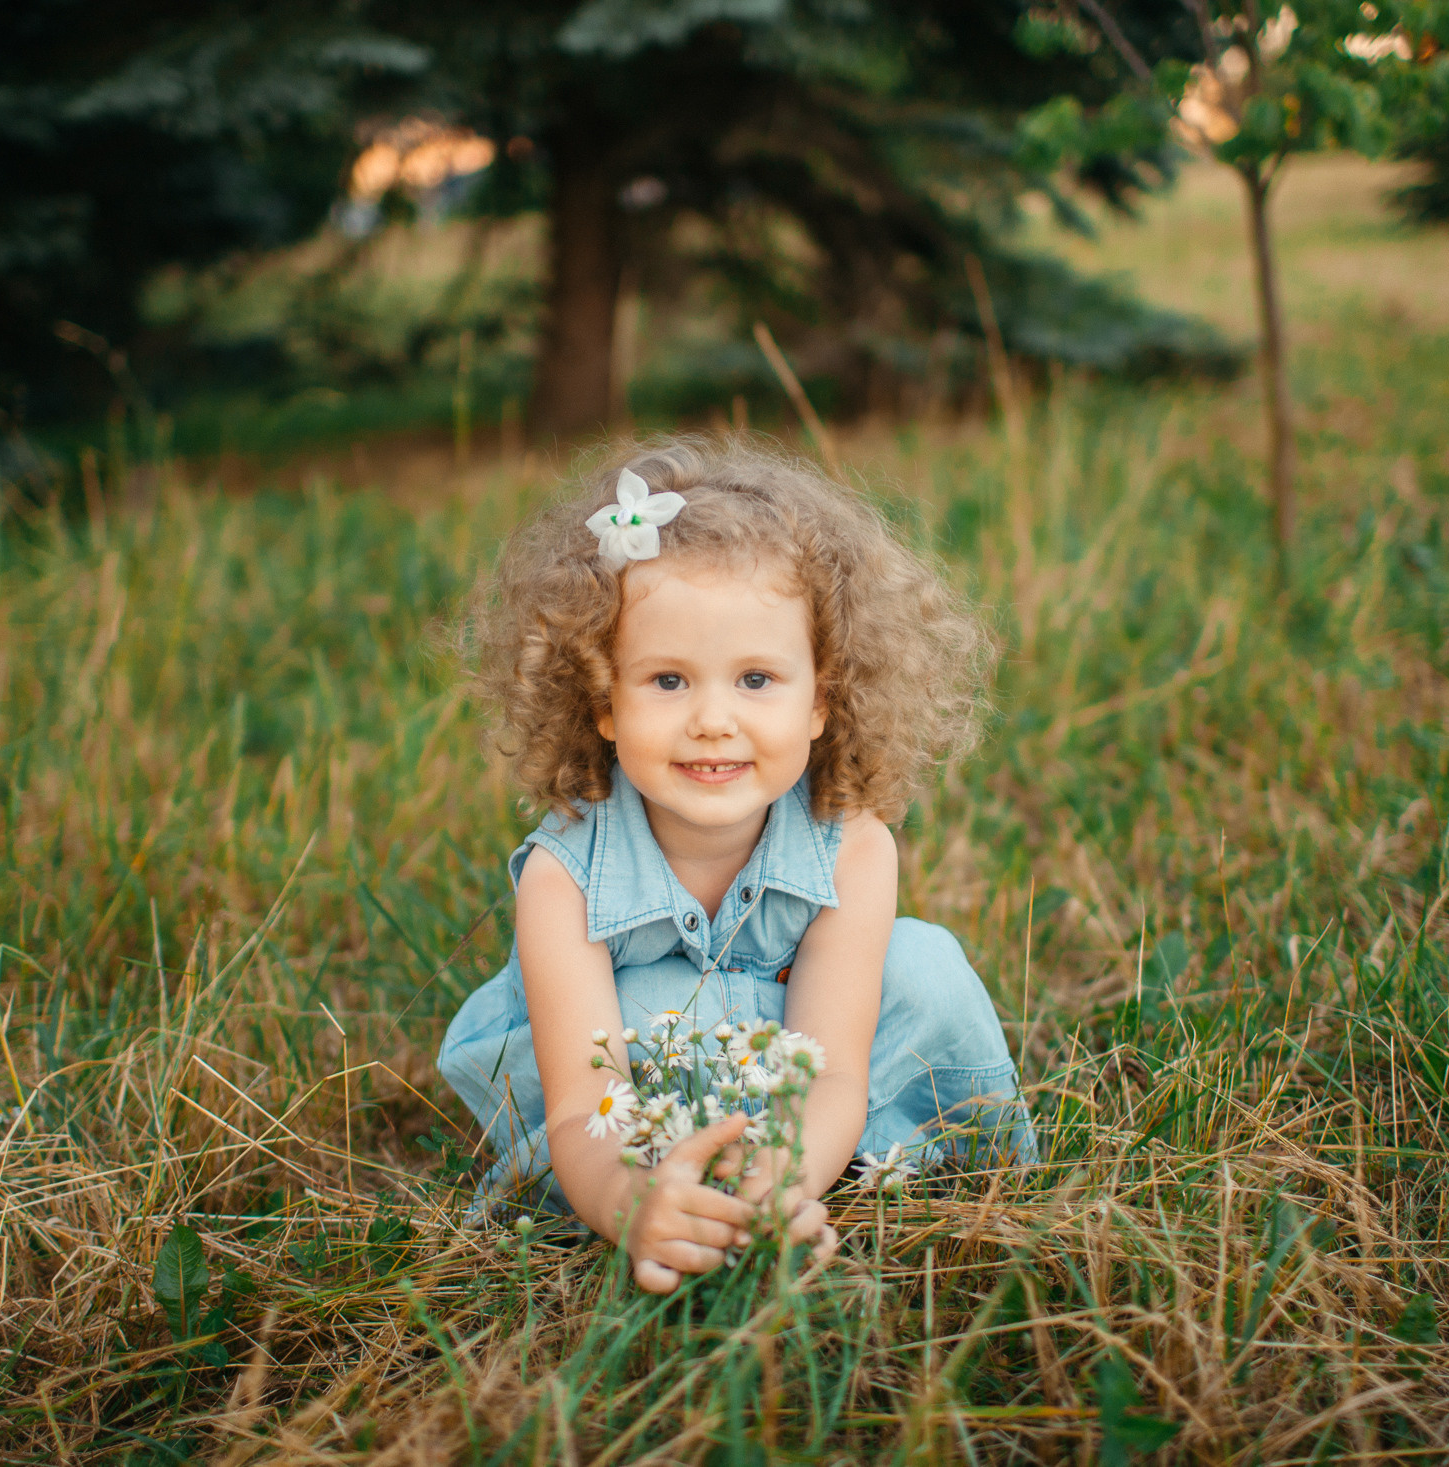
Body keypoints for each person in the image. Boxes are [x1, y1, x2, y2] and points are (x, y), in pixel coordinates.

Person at [438, 438, 1036, 1293]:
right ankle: (678, 1199)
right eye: (668, 680)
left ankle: (839, 1175)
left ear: (823, 698)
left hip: (808, 1089)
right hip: (632, 1113)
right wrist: (627, 1194)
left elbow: (832, 1064)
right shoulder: (563, 877)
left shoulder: (855, 844)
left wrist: (783, 1179)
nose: (713, 719)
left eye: (756, 678)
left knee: (925, 967)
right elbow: (583, 1101)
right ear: (603, 704)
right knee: (653, 1006)